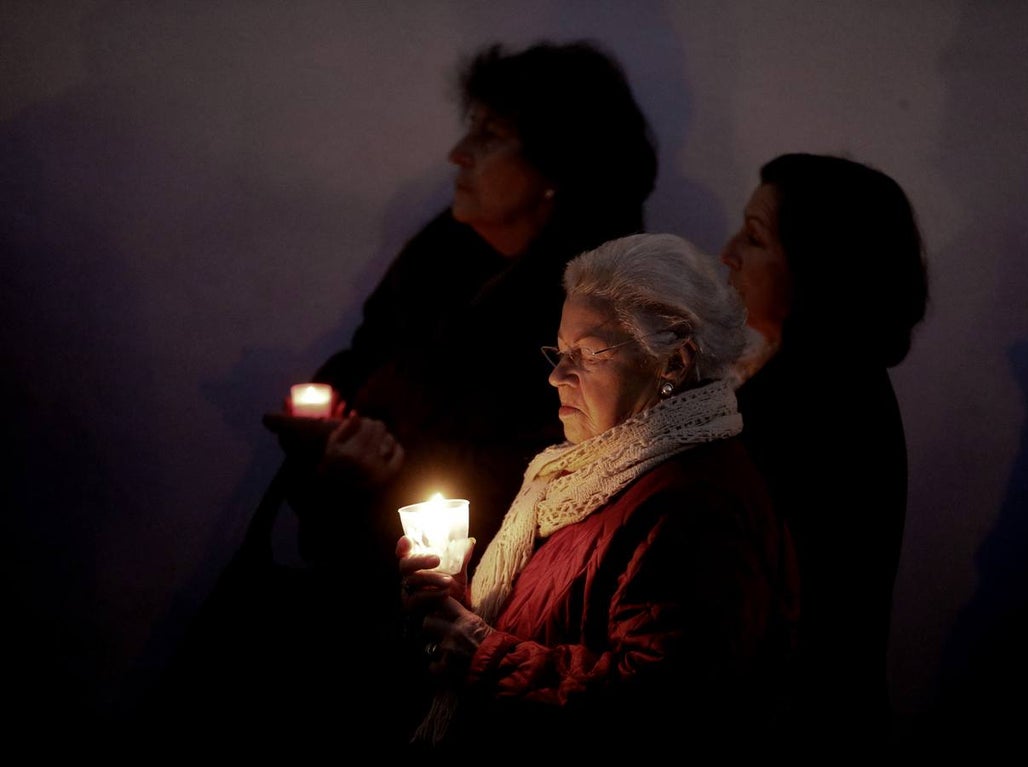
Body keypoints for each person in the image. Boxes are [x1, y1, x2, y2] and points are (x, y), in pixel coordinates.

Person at [145, 39, 657, 756]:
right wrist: (325, 433)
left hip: (446, 657)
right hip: (338, 591)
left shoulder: (598, 323)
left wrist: (391, 481)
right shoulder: (444, 251)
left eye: (487, 135)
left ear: (556, 171)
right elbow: (359, 361)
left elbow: (547, 500)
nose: (457, 154)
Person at [396, 232, 800, 759]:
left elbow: (665, 704)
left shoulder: (694, 503)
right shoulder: (589, 474)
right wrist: (455, 606)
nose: (557, 376)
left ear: (673, 363)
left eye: (587, 354)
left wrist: (483, 651)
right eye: (560, 352)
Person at [718, 153, 929, 757]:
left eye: (755, 238)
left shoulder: (811, 404)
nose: (728, 250)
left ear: (820, 270)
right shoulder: (817, 382)